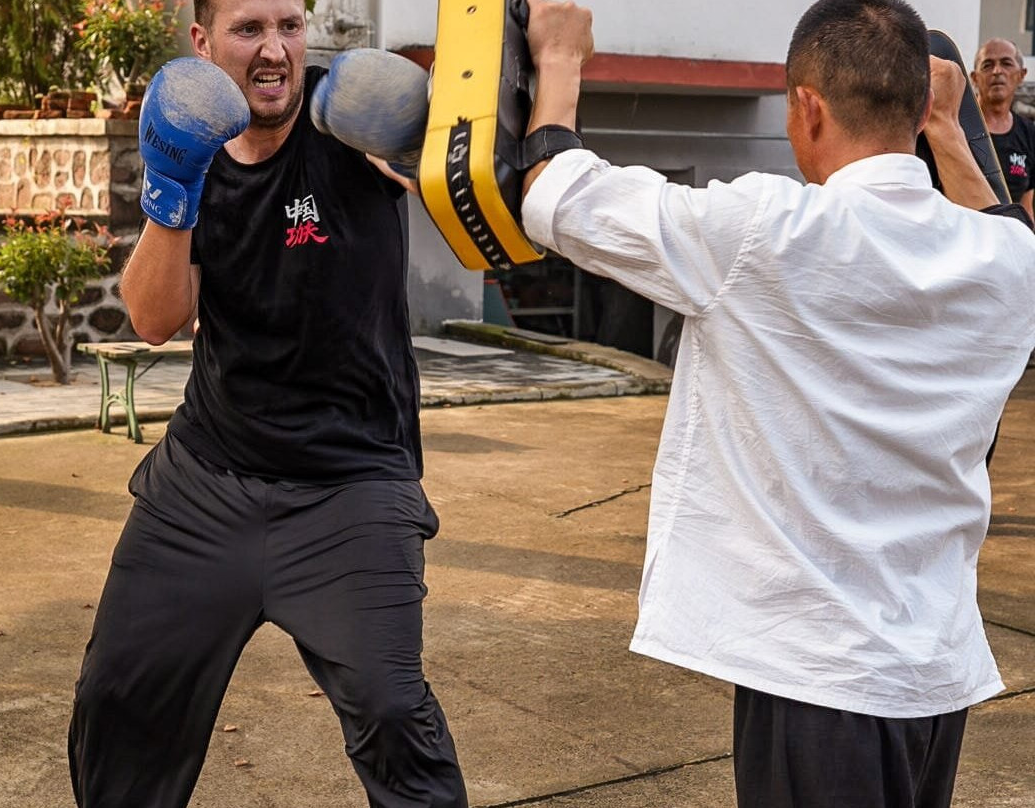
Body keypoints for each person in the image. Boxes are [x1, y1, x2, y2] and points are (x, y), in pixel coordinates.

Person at [519, 0, 1035, 805]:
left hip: (817, 678)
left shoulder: (766, 228)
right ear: (920, 110)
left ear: (807, 107)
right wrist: (946, 128)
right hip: (935, 678)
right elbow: (1002, 220)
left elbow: (557, 191)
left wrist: (558, 61)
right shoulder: (1007, 262)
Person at [66, 1, 468, 806]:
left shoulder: (352, 123)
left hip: (351, 483)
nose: (276, 50)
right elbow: (152, 319)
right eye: (250, 29)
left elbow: (456, 173)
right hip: (207, 481)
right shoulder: (190, 141)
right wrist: (172, 192)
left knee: (395, 718)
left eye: (289, 24)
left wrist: (431, 131)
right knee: (117, 702)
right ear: (203, 43)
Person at [971, 37, 1035, 220]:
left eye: (1006, 63)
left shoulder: (1029, 133)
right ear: (974, 78)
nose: (997, 71)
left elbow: (1026, 206)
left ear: (1021, 75)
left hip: (1008, 241)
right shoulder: (958, 127)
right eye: (987, 65)